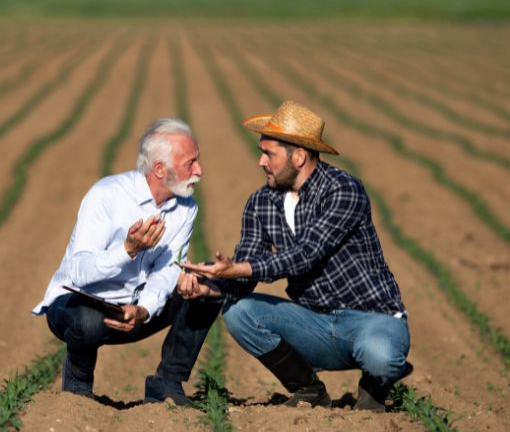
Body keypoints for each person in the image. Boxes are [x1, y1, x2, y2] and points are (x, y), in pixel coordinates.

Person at [178, 101, 412, 412]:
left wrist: (238, 269)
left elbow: (307, 254)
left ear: (299, 156)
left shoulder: (343, 189)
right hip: (316, 323)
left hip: (372, 318)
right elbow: (247, 270)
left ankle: (378, 379)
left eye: (269, 153)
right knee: (239, 311)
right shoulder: (261, 202)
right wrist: (210, 286)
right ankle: (309, 389)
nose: (261, 161)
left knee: (381, 357)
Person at [33, 118, 222, 405]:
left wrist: (144, 309)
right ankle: (78, 386)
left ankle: (168, 382)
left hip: (134, 310)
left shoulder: (186, 208)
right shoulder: (107, 195)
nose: (200, 171)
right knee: (89, 321)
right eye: (190, 162)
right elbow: (78, 272)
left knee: (209, 283)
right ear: (160, 169)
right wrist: (128, 250)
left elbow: (167, 270)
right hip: (77, 305)